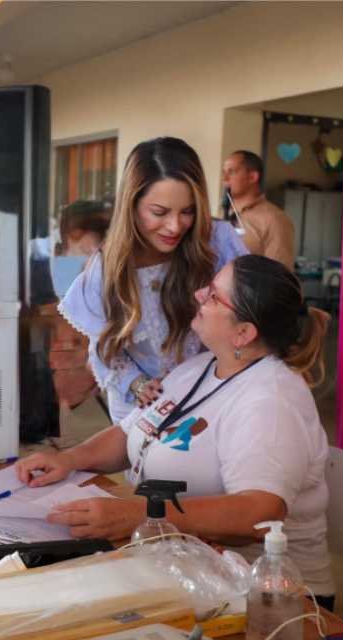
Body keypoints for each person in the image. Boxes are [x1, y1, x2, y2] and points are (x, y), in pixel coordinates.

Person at [18, 254, 336, 604]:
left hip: (268, 598)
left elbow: (259, 512)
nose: (199, 294)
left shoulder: (270, 401)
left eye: (214, 295)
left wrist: (140, 515)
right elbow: (131, 432)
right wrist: (69, 459)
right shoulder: (201, 368)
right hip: (187, 564)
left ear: (243, 333)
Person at [59, 137, 247, 424]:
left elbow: (248, 313)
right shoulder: (107, 266)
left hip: (211, 393)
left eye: (187, 211)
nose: (175, 226)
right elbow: (104, 347)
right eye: (159, 213)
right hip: (139, 405)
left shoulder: (218, 241)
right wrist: (135, 384)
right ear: (131, 206)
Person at [222, 150, 296, 270]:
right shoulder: (224, 213)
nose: (225, 179)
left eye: (232, 171)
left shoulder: (274, 220)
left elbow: (279, 276)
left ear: (252, 177)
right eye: (224, 172)